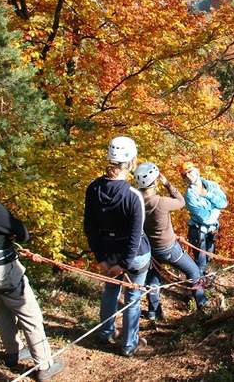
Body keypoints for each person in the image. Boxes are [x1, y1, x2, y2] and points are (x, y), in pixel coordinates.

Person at [0, 151, 65, 381]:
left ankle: (12, 354)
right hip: (4, 269)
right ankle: (45, 365)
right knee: (30, 314)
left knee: (3, 309)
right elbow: (23, 233)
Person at [83, 136, 151, 357]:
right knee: (133, 297)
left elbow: (90, 227)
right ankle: (129, 344)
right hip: (134, 255)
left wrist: (102, 258)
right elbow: (135, 235)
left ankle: (105, 333)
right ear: (131, 162)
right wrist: (125, 263)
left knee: (111, 291)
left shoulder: (93, 189)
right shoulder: (133, 196)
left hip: (108, 252)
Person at [133, 162, 208, 320]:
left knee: (153, 279)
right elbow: (181, 201)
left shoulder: (135, 202)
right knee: (193, 272)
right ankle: (203, 304)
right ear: (154, 182)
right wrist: (167, 184)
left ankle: (154, 312)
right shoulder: (161, 202)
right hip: (168, 247)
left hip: (148, 248)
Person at [180, 162, 228, 275]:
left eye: (189, 172)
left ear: (197, 170)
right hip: (197, 231)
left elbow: (223, 203)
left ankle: (203, 281)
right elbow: (205, 218)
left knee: (209, 258)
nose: (188, 176)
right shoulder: (189, 195)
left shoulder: (212, 185)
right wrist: (216, 209)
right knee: (200, 262)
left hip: (212, 230)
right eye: (184, 175)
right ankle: (197, 287)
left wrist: (207, 195)